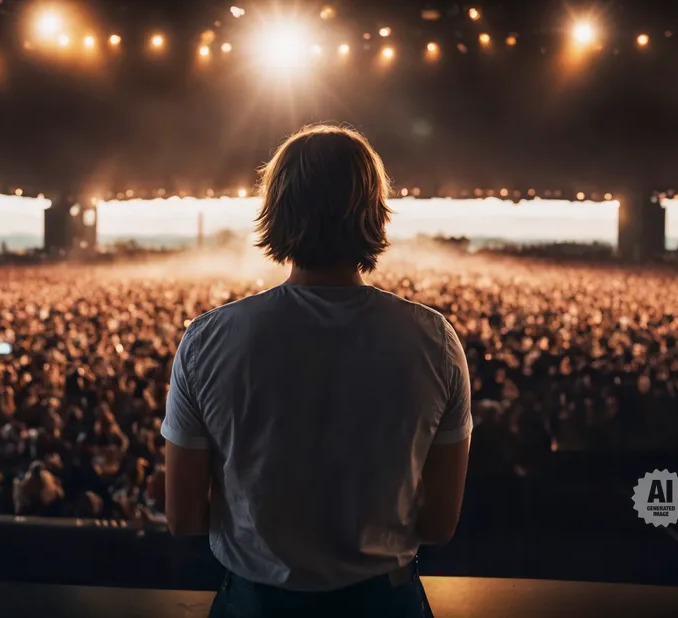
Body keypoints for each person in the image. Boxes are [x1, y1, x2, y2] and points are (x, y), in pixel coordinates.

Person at [161, 124, 472, 618]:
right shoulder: (433, 340)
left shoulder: (207, 340)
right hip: (384, 602)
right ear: (375, 213)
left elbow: (182, 518)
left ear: (277, 212)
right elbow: (439, 526)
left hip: (255, 603)